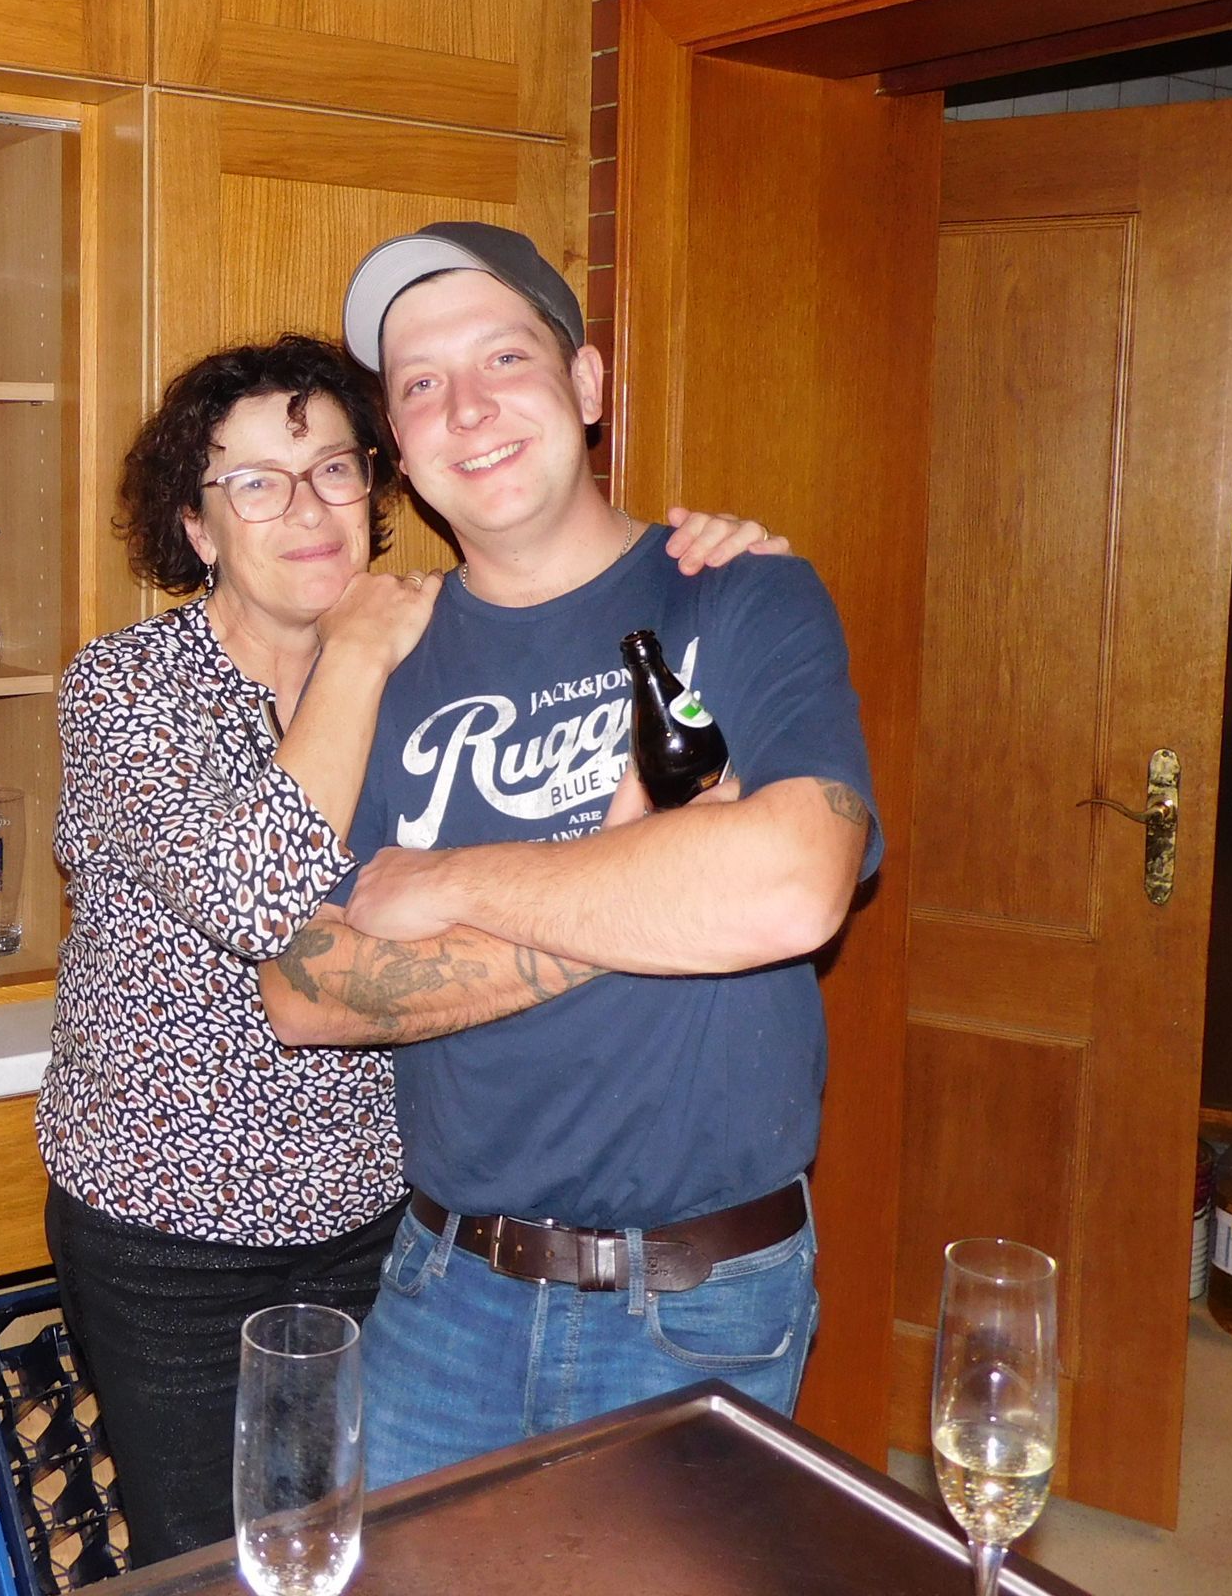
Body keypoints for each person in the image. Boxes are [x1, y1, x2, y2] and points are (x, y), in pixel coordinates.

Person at [36, 331, 783, 1563]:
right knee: (214, 1562)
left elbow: (611, 642)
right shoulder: (129, 691)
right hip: (171, 1229)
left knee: (378, 1553)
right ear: (198, 527)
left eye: (334, 469)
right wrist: (360, 653)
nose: (307, 508)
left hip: (392, 1221)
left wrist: (721, 562)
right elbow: (259, 899)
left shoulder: (442, 653)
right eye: (256, 484)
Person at [257, 221, 881, 1490]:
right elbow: (305, 989)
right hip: (443, 1295)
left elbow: (792, 887)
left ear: (589, 384)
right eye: (421, 383)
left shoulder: (741, 595)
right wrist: (652, 878)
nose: (466, 408)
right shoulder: (376, 661)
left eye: (504, 358)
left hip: (700, 1304)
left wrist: (450, 881)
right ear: (400, 449)